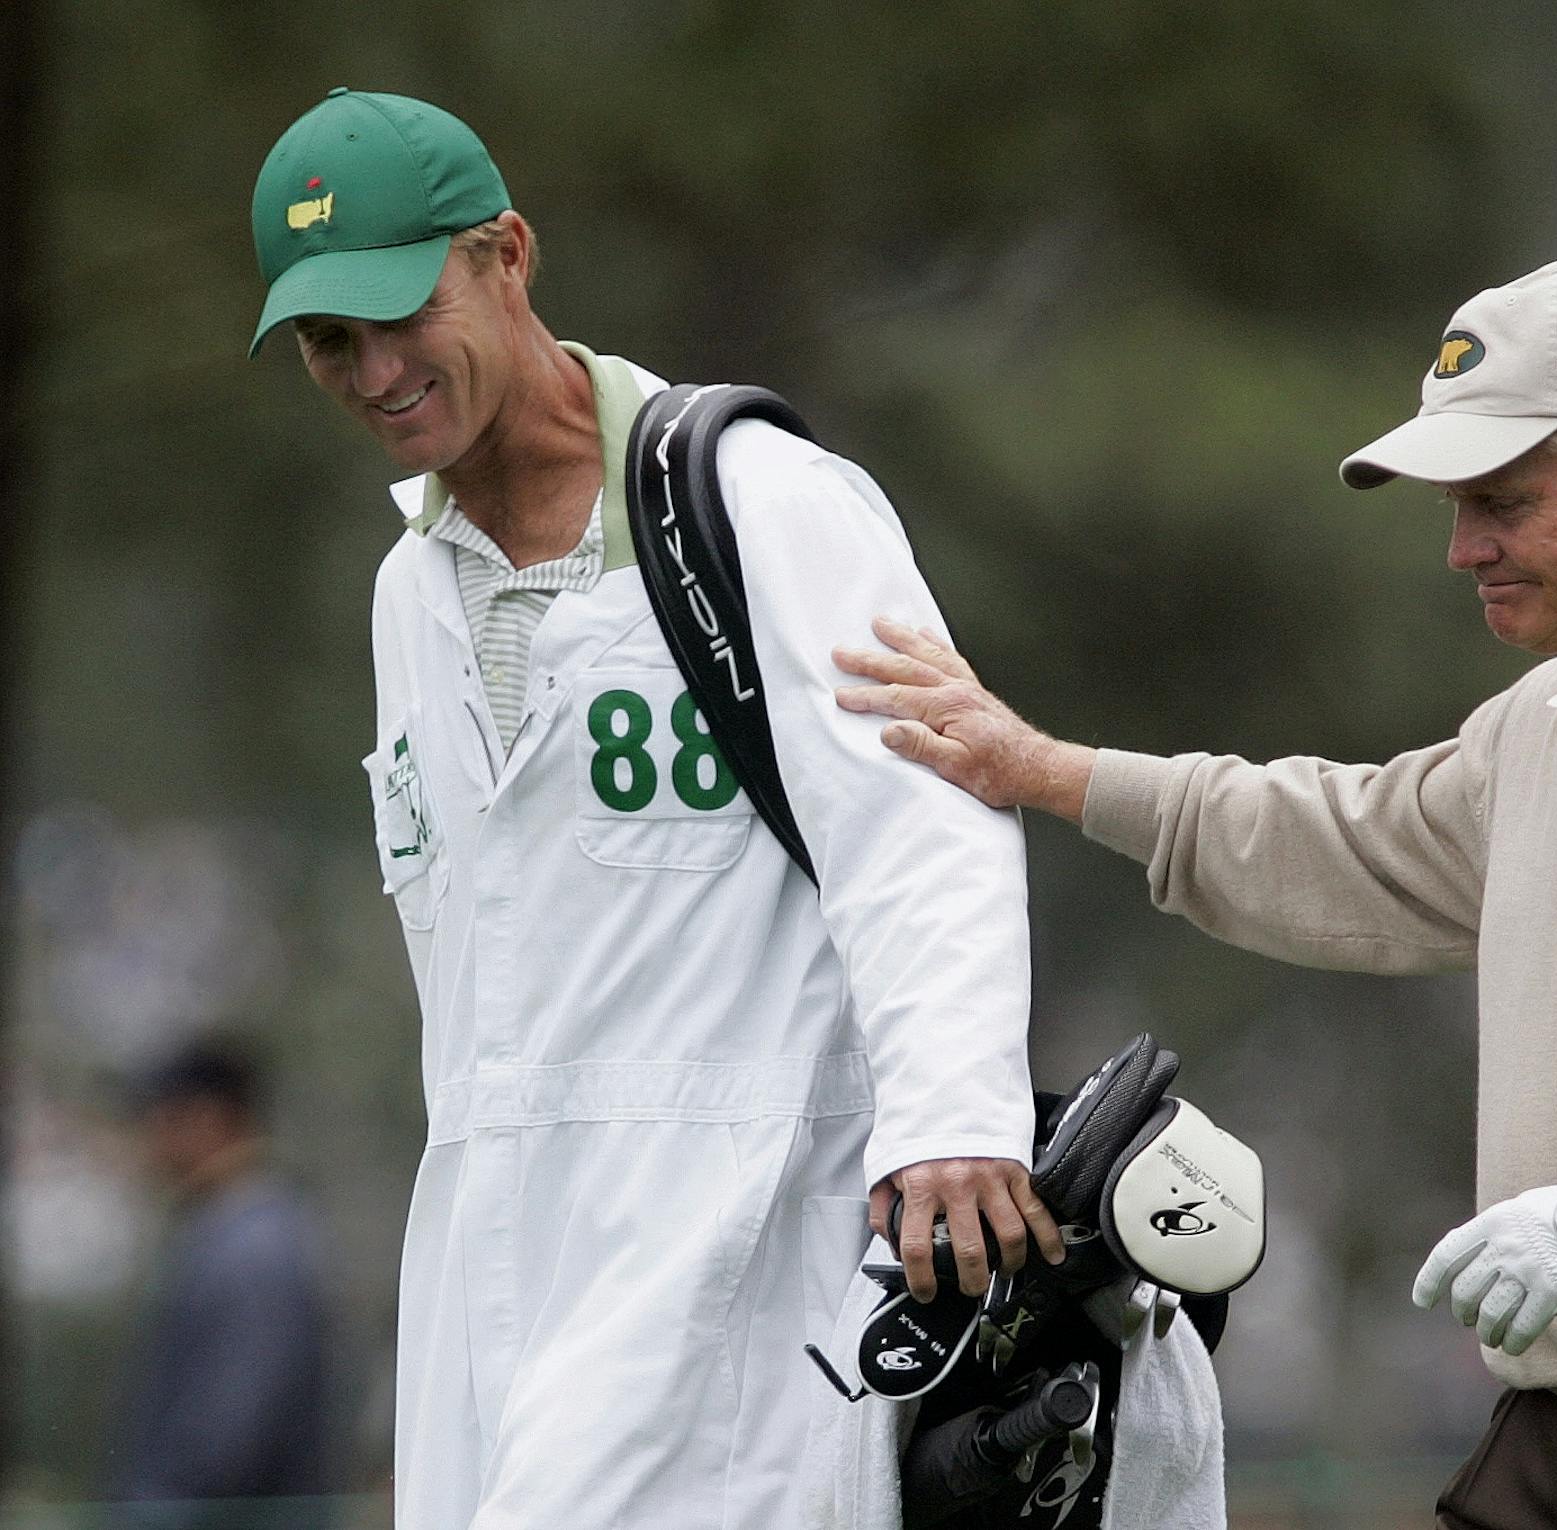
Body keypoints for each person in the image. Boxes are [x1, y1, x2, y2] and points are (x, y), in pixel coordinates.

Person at [834, 254, 1557, 1528]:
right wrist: (1049, 771)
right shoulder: (1543, 723)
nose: (1463, 549)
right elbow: (1344, 843)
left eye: (1502, 502)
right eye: (1457, 509)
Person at [246, 88, 1062, 1529]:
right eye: (329, 341)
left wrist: (952, 1114)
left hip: (746, 1228)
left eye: (400, 311)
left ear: (508, 254)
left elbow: (920, 819)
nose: (375, 372)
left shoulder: (758, 500)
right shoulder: (406, 593)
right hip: (490, 1250)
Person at [108, 1038, 334, 1528]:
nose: (148, 1140)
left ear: (206, 1118)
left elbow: (230, 1436)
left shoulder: (256, 1247)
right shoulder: (225, 1232)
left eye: (160, 1118)